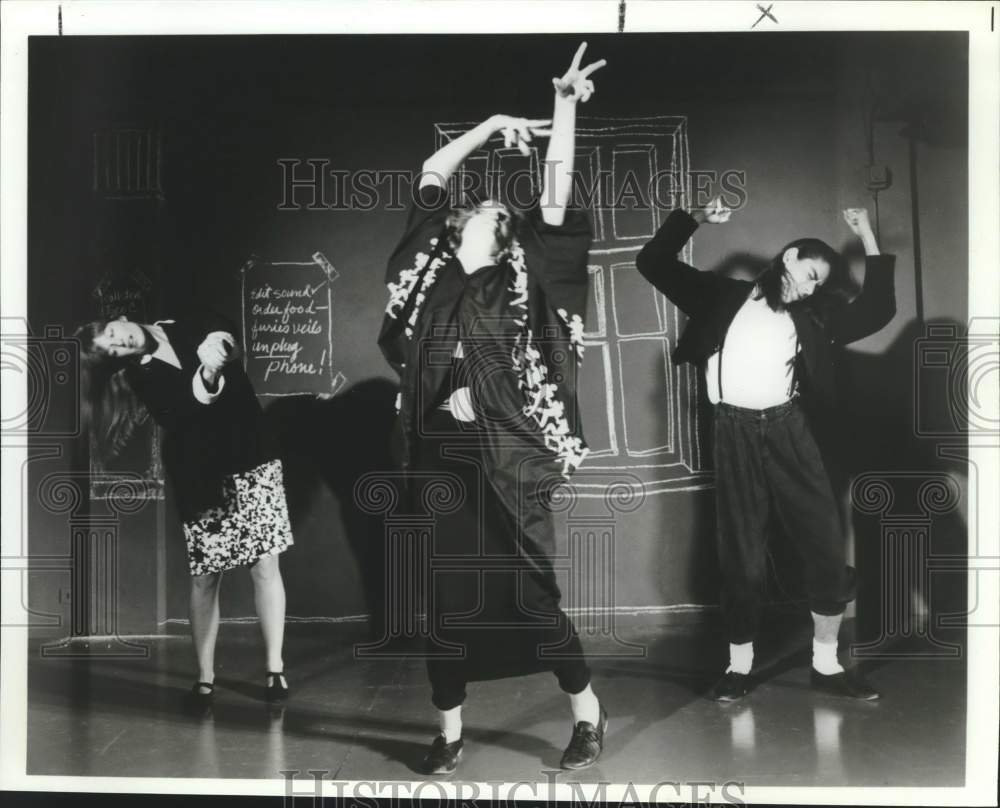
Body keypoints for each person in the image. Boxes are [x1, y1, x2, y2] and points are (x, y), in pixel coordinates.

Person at [378, 43, 607, 774]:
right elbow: (433, 174)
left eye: (501, 210)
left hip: (510, 460)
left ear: (511, 234)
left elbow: (559, 193)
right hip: (440, 459)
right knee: (444, 606)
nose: (488, 207)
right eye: (480, 206)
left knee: (532, 598)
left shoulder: (530, 280)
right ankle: (448, 734)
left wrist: (564, 108)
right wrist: (493, 122)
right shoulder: (429, 274)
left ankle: (587, 713)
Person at [635, 200, 896, 702]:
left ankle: (827, 664)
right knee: (742, 555)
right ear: (790, 257)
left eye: (820, 281)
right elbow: (653, 263)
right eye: (810, 272)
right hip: (732, 433)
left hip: (788, 432)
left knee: (823, 544)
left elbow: (879, 310)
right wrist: (692, 219)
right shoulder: (721, 295)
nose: (813, 285)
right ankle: (739, 668)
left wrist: (866, 235)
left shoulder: (816, 317)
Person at [76, 311, 293, 708]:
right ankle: (205, 677)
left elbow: (232, 335)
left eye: (112, 332)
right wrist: (208, 372)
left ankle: (275, 668)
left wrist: (224, 340)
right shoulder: (142, 377)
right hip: (202, 476)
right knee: (206, 578)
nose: (119, 342)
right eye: (111, 349)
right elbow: (187, 409)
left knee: (266, 565)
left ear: (121, 319)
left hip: (253, 457)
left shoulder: (182, 321)